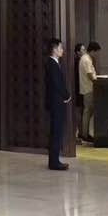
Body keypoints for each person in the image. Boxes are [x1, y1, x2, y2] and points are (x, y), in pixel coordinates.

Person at [45, 38, 71, 171]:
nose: (62, 50)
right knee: (56, 132)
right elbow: (57, 84)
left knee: (56, 131)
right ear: (54, 49)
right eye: (60, 48)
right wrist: (66, 95)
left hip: (56, 102)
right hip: (56, 103)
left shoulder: (54, 63)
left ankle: (54, 160)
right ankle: (54, 162)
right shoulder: (52, 64)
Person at [79, 41, 100, 143]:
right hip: (89, 89)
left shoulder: (85, 58)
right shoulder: (86, 59)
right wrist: (97, 83)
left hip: (87, 88)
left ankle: (85, 133)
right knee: (87, 112)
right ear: (92, 51)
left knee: (88, 112)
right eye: (96, 52)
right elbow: (89, 74)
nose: (97, 55)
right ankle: (85, 134)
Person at [73, 43, 86, 138]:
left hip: (80, 88)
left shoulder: (80, 61)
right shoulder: (78, 62)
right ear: (78, 52)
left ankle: (81, 131)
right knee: (79, 110)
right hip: (78, 89)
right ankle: (80, 132)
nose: (85, 51)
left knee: (81, 110)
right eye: (83, 50)